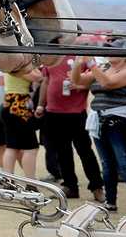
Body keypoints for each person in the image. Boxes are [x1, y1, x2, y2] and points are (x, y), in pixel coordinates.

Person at [72, 42, 126, 218]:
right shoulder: (103, 68)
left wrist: (91, 64)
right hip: (99, 120)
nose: (110, 52)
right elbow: (77, 81)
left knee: (125, 164)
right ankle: (110, 202)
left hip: (119, 122)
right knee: (107, 165)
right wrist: (77, 62)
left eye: (115, 49)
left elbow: (108, 83)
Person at [38, 53, 105, 201]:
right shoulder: (51, 57)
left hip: (76, 112)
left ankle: (97, 187)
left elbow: (94, 80)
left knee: (85, 151)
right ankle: (70, 186)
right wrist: (41, 105)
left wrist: (79, 85)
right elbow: (46, 81)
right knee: (62, 152)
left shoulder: (81, 57)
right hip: (53, 112)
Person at [0, 66, 43, 178]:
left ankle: (8, 182)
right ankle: (31, 183)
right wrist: (34, 67)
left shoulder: (9, 63)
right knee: (30, 147)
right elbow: (37, 77)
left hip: (9, 103)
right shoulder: (18, 65)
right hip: (20, 106)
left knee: (12, 146)